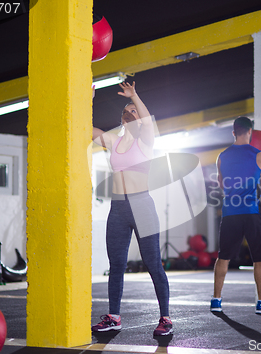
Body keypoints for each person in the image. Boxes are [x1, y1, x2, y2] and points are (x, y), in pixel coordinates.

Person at [91, 81, 172, 335]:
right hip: (118, 209)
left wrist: (135, 95)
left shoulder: (145, 142)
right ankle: (114, 316)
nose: (131, 113)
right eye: (127, 111)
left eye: (134, 111)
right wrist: (87, 99)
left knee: (153, 264)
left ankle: (166, 318)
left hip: (142, 206)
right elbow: (86, 129)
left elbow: (147, 123)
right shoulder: (114, 141)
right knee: (116, 264)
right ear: (122, 119)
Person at [211, 116, 261, 314]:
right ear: (250, 132)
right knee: (259, 259)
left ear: (233, 132)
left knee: (223, 257)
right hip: (251, 212)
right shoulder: (259, 155)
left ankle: (216, 300)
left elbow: (222, 185)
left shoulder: (222, 156)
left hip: (230, 213)